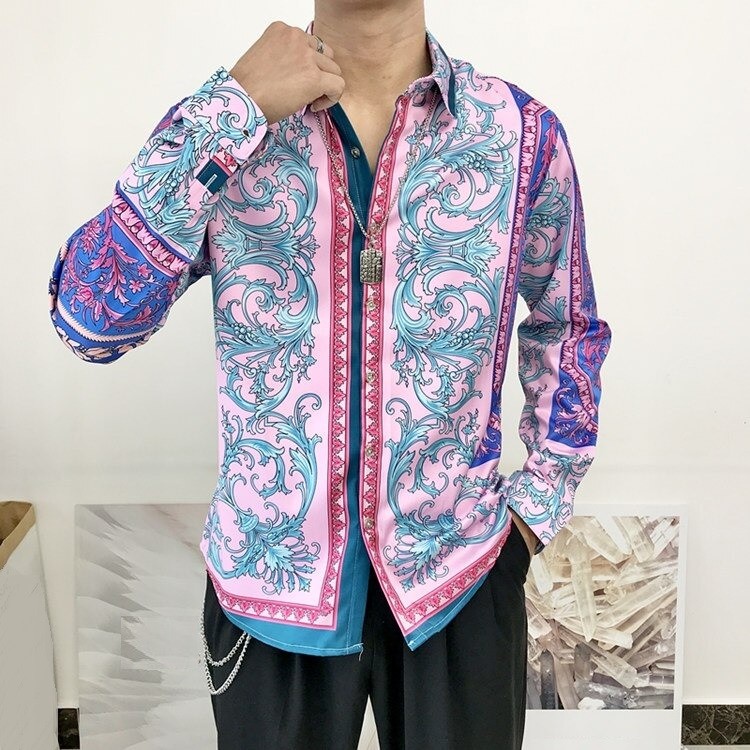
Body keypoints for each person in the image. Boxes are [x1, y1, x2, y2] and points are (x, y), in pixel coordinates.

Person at [47, 1, 612, 748]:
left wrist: (535, 511)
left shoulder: (520, 136)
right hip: (270, 585)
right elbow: (90, 319)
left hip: (460, 576)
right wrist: (233, 108)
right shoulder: (233, 129)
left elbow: (568, 325)